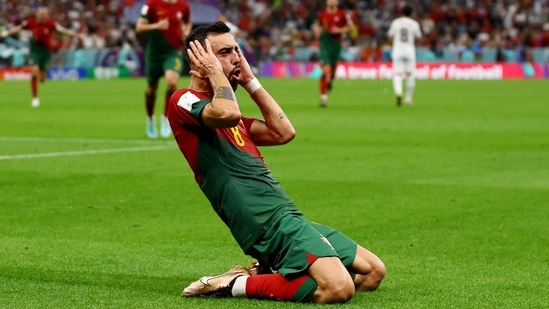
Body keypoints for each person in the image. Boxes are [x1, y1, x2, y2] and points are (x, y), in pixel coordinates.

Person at [167, 21, 386, 304]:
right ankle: (235, 284)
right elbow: (227, 111)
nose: (236, 57)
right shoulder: (183, 100)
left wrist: (249, 81)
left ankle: (269, 274)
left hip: (285, 214)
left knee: (373, 272)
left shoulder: (233, 118)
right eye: (224, 52)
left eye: (237, 50)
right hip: (261, 219)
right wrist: (214, 73)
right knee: (338, 288)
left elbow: (284, 132)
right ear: (198, 61)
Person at [0, 6, 82, 108]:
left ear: (47, 16)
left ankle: (41, 76)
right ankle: (35, 98)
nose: (42, 16)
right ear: (37, 15)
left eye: (44, 14)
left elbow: (62, 30)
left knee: (42, 78)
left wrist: (75, 35)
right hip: (35, 51)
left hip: (46, 52)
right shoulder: (31, 23)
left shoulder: (51, 24)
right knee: (34, 71)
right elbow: (18, 28)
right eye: (40, 14)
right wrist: (5, 33)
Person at [135, 0, 191, 139]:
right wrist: (157, 25)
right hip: (154, 53)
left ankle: (166, 117)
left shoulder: (183, 6)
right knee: (152, 87)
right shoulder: (151, 5)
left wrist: (186, 31)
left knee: (172, 83)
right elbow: (139, 27)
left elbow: (187, 21)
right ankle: (150, 119)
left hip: (173, 51)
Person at [313, 0, 355, 107]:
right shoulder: (322, 14)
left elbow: (351, 27)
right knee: (325, 70)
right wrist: (317, 31)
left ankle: (330, 80)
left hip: (336, 45)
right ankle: (323, 97)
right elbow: (318, 25)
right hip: (325, 44)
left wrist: (339, 30)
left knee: (332, 72)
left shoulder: (342, 14)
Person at [387, 5, 422, 106]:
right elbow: (419, 37)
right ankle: (408, 99)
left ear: (402, 12)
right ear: (411, 13)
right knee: (410, 75)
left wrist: (394, 44)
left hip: (397, 50)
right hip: (409, 50)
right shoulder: (414, 24)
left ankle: (398, 92)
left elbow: (390, 36)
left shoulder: (396, 22)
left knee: (397, 74)